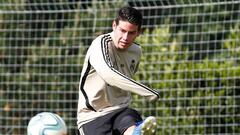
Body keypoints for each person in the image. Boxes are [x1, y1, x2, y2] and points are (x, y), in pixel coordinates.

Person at [77, 6, 160, 135]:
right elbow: (110, 76)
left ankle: (136, 133)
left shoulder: (136, 51)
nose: (125, 37)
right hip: (93, 116)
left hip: (121, 110)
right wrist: (148, 92)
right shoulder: (100, 44)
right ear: (114, 25)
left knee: (130, 125)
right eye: (122, 30)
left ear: (138, 33)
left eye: (131, 33)